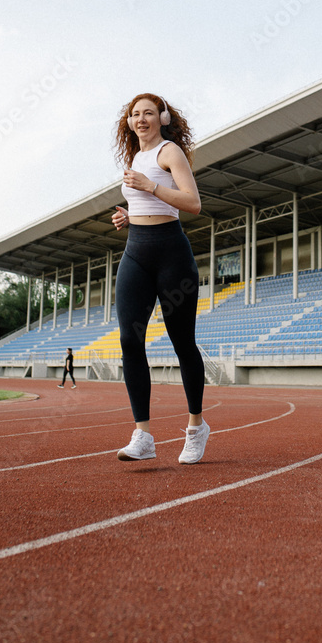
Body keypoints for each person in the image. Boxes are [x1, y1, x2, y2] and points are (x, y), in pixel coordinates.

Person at [111, 93, 210, 465]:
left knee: (182, 343)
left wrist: (150, 187)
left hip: (171, 254)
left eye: (148, 113)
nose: (141, 119)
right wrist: (129, 216)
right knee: (129, 340)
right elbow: (144, 203)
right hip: (136, 252)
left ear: (163, 118)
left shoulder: (170, 153)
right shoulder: (134, 158)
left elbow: (193, 203)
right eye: (135, 114)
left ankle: (196, 427)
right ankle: (143, 435)